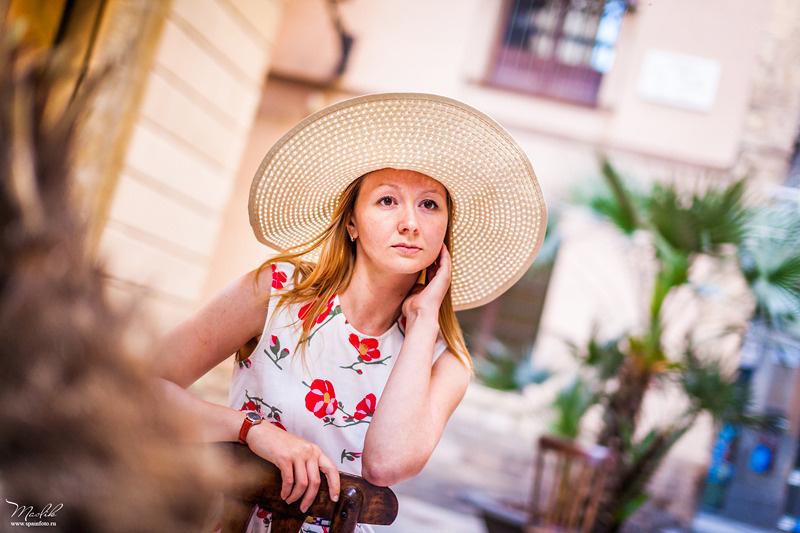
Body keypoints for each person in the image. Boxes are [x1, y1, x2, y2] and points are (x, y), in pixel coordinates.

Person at [156, 93, 547, 532]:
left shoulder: (445, 362)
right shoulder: (278, 293)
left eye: (429, 204)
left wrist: (423, 320)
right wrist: (252, 431)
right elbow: (140, 387)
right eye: (386, 201)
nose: (410, 223)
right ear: (352, 223)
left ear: (444, 233)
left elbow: (384, 467)